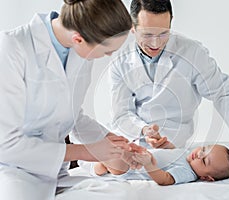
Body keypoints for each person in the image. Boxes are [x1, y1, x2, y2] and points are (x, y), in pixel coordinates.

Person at [109, 0, 229, 161]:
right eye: (147, 34)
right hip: (130, 137)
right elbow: (121, 114)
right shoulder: (119, 58)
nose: (156, 43)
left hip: (174, 141)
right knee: (102, 162)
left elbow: (223, 93)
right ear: (132, 27)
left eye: (164, 33)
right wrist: (143, 130)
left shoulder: (192, 52)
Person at [0, 0, 134, 199]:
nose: (108, 56)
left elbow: (72, 115)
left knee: (122, 194)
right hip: (14, 169)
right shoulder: (12, 48)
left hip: (55, 172)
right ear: (79, 39)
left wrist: (112, 142)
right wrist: (85, 151)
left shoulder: (81, 50)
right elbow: (6, 146)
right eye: (107, 52)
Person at [94, 143, 229, 185]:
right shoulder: (187, 155)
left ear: (207, 178)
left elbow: (165, 179)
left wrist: (149, 164)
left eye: (204, 160)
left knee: (115, 151)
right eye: (204, 149)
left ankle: (103, 165)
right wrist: (165, 144)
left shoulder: (188, 173)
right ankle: (101, 167)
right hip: (133, 158)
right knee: (116, 147)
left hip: (129, 168)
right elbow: (172, 153)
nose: (199, 154)